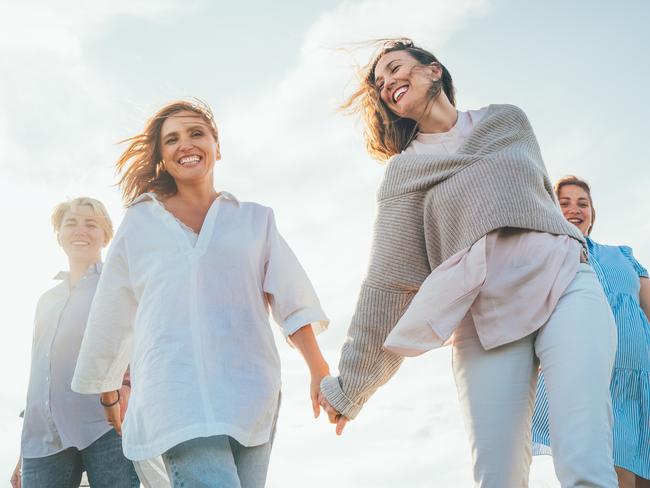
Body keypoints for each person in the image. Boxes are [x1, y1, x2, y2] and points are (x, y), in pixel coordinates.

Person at [318, 38, 618, 487]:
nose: (388, 84)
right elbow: (388, 284)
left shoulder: (507, 122)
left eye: (396, 69)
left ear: (433, 70)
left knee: (583, 457)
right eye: (380, 84)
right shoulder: (405, 174)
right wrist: (350, 386)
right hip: (484, 318)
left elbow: (525, 201)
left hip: (565, 284)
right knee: (497, 476)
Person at [71, 99, 330, 488]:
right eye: (171, 139)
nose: (185, 145)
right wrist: (110, 392)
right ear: (162, 156)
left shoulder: (255, 219)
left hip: (251, 388)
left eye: (196, 133)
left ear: (217, 145)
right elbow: (113, 311)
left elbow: (291, 297)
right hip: (173, 388)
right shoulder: (140, 221)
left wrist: (317, 367)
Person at [12, 197, 140, 488]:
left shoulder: (119, 283)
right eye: (70, 224)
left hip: (107, 427)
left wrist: (128, 388)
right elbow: (40, 375)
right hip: (43, 439)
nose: (79, 230)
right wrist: (23, 454)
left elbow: (137, 343)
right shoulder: (46, 300)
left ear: (106, 235)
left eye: (90, 224)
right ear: (59, 235)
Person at [532, 175, 650, 488]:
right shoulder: (545, 257)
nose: (575, 209)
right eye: (565, 203)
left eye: (582, 203)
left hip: (643, 380)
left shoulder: (622, 255)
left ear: (592, 213)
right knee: (612, 472)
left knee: (643, 475)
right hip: (597, 379)